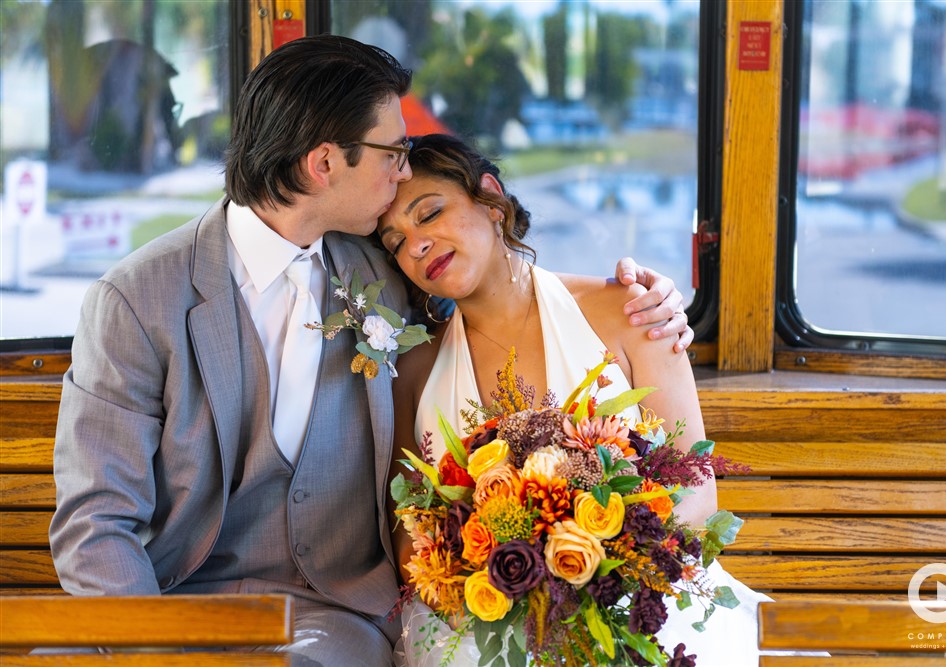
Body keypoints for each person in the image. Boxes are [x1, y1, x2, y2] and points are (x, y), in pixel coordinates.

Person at [49, 36, 692, 667]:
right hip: (179, 609)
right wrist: (145, 651)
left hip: (335, 615)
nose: (405, 169)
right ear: (324, 164)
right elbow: (95, 525)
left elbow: (497, 291)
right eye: (394, 150)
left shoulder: (385, 274)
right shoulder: (135, 300)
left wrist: (643, 301)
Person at [379, 134, 770, 667]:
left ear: (491, 200)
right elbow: (411, 534)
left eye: (429, 214)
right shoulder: (414, 373)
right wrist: (488, 595)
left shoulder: (631, 313)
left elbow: (697, 498)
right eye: (395, 241)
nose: (416, 244)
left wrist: (595, 578)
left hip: (635, 599)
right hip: (484, 625)